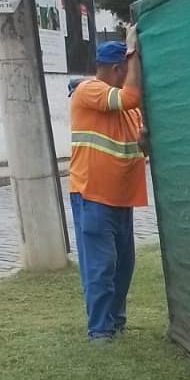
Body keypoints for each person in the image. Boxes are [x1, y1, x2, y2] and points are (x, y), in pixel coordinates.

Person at [68, 28, 147, 343]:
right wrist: (132, 49)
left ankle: (115, 322)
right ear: (118, 68)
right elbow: (130, 95)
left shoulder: (126, 111)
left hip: (120, 198)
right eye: (129, 70)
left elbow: (141, 145)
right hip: (94, 195)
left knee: (123, 265)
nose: (133, 77)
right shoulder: (89, 90)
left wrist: (145, 142)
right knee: (102, 266)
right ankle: (100, 330)